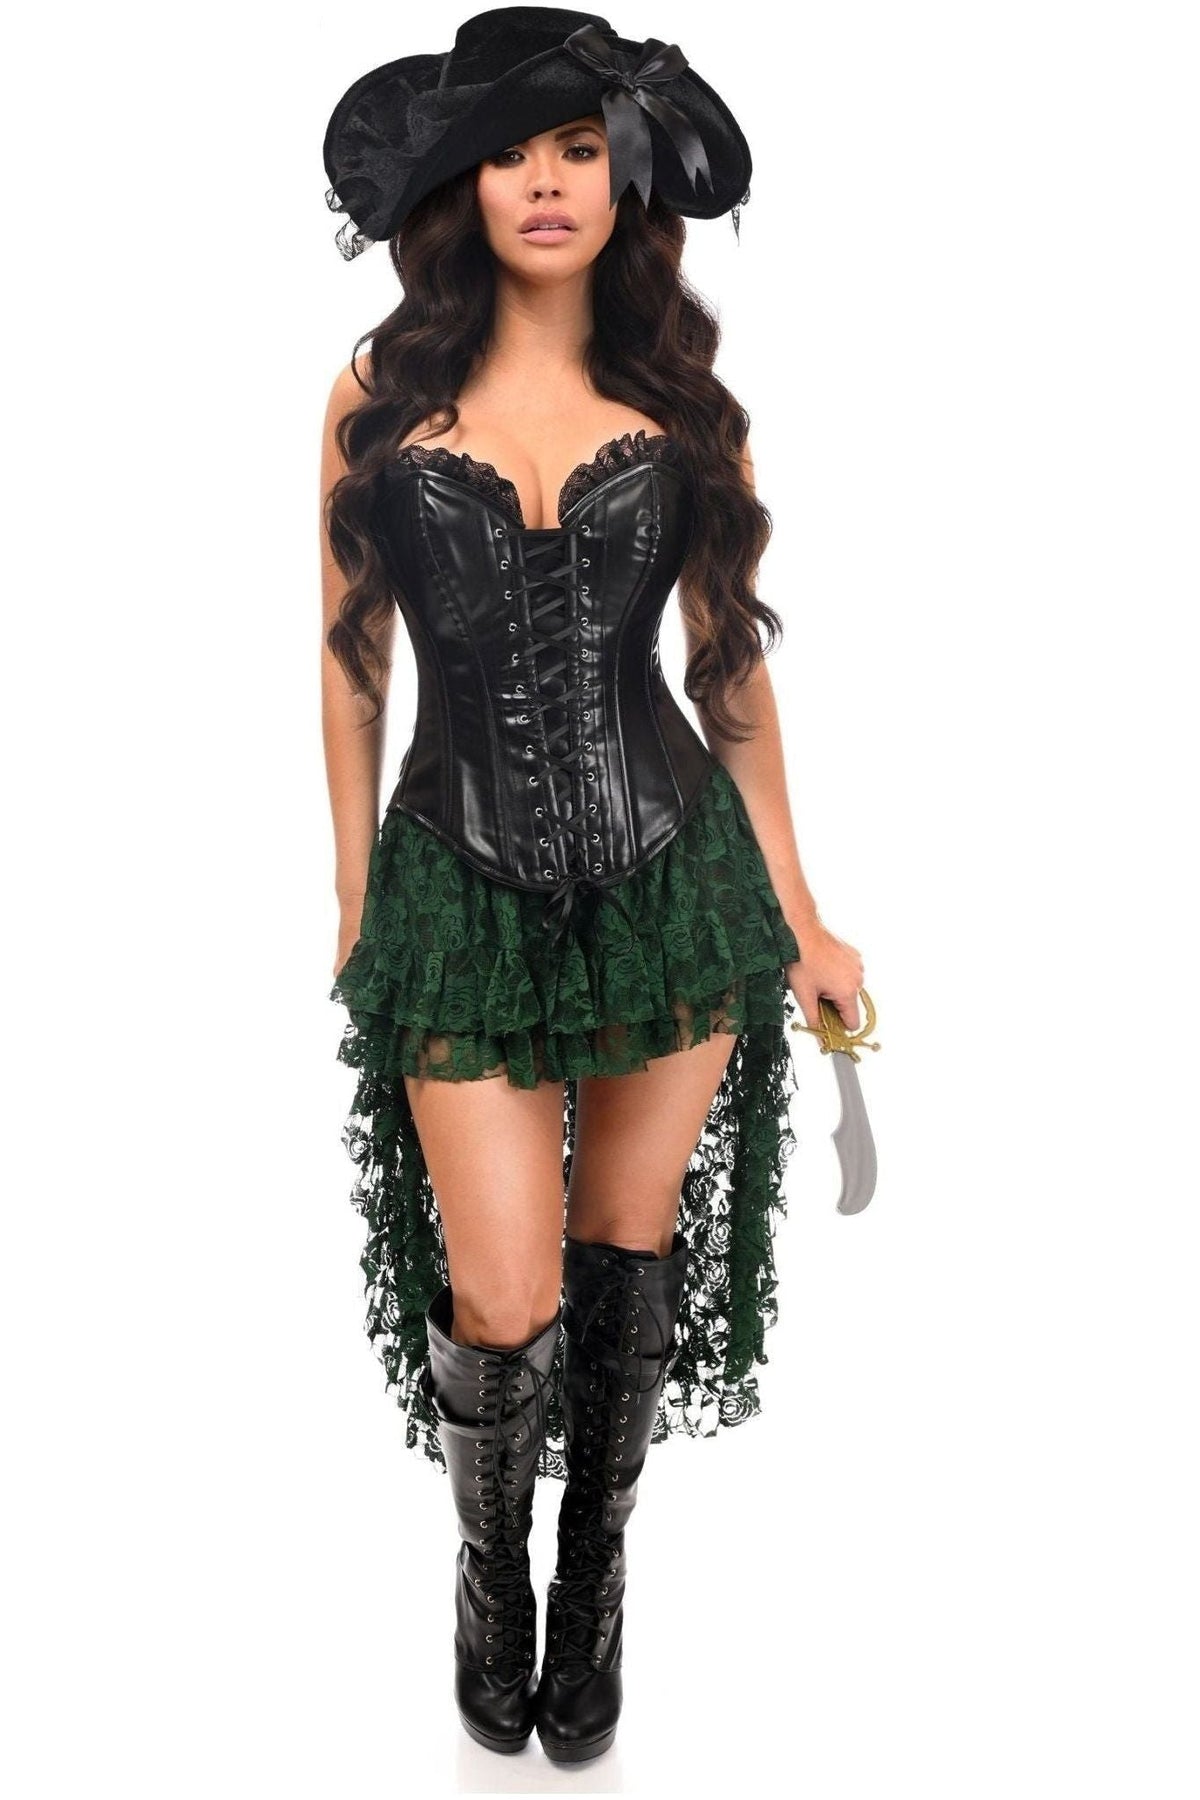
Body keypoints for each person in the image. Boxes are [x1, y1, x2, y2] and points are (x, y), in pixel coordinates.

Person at [319, 6, 865, 1765]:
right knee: (505, 1297)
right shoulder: (377, 398)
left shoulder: (685, 407)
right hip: (455, 884)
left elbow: (730, 674)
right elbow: (350, 662)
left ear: (625, 175)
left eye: (575, 147)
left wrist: (801, 908)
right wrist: (357, 900)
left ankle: (596, 1577)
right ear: (461, 186)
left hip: (668, 883)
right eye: (509, 152)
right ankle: (492, 1577)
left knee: (625, 1264)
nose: (545, 182)